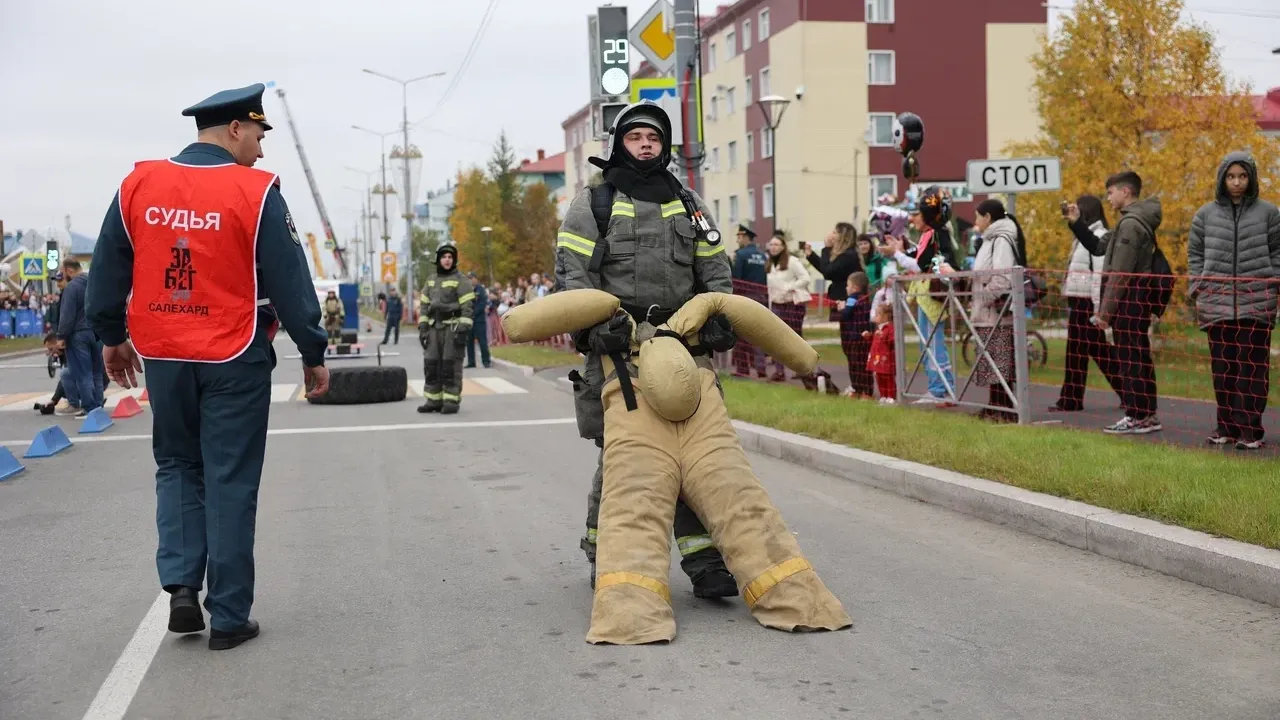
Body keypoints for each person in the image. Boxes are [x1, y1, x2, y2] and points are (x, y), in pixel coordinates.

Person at [85, 83, 330, 651]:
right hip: (234, 354)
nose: (263, 151)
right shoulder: (257, 190)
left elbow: (107, 267)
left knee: (176, 465)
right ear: (237, 129)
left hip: (165, 353)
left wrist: (111, 338)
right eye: (260, 136)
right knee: (230, 479)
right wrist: (314, 352)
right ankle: (228, 617)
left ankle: (180, 591)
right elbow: (291, 281)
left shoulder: (137, 184)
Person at [555, 100, 738, 598]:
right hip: (617, 348)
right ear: (620, 143)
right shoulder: (593, 201)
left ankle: (705, 562)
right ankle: (607, 556)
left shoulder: (689, 203)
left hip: (681, 347)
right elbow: (572, 278)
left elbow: (715, 272)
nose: (645, 145)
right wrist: (596, 330)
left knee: (695, 454)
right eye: (636, 137)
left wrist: (720, 318)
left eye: (654, 139)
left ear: (665, 147)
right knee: (623, 458)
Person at [1189, 151, 1280, 450]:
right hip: (1216, 303)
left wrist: (1273, 285)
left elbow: (1278, 253)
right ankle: (1225, 426)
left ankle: (1250, 430)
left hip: (1256, 304)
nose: (1237, 182)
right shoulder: (1204, 215)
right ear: (1222, 178)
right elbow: (1195, 255)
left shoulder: (1270, 213)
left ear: (1251, 177)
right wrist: (1197, 285)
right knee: (1223, 369)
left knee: (1252, 369)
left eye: (1242, 176)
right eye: (1231, 176)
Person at [1097, 171, 1163, 435]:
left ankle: (1137, 415)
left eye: (1111, 192)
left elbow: (1120, 273)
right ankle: (1147, 414)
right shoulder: (1136, 221)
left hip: (1129, 299)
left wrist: (1105, 313)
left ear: (1126, 192)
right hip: (1139, 297)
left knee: (1130, 358)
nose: (1108, 198)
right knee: (1139, 354)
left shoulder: (1130, 225)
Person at [1056, 195, 1122, 412]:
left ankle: (1072, 399)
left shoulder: (1099, 235)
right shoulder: (1081, 236)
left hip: (1088, 304)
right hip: (1079, 301)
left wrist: (1098, 309)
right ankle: (1071, 399)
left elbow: (1099, 276)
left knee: (1091, 352)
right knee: (1086, 352)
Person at [969, 199, 1022, 423]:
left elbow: (1002, 277)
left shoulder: (1001, 240)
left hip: (996, 312)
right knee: (991, 359)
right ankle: (996, 403)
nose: (975, 221)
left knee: (999, 359)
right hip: (988, 311)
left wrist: (984, 297)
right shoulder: (990, 240)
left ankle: (1004, 407)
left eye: (978, 216)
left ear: (988, 217)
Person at [416, 243, 474, 414]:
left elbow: (467, 308)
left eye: (450, 257)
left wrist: (463, 330)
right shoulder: (431, 280)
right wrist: (423, 328)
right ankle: (433, 400)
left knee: (450, 365)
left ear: (454, 260)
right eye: (444, 257)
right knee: (431, 364)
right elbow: (425, 306)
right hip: (434, 329)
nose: (447, 260)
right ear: (438, 260)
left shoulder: (461, 281)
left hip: (452, 329)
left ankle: (451, 401)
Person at [55, 259, 104, 416]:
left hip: (78, 335)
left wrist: (61, 336)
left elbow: (67, 316)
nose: (62, 275)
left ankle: (89, 407)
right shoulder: (95, 283)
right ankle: (98, 406)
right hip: (97, 333)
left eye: (62, 272)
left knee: (83, 373)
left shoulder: (72, 287)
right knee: (97, 372)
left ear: (69, 270)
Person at [764, 232, 812, 382]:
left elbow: (806, 278)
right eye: (771, 244)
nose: (773, 247)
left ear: (783, 247)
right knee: (777, 338)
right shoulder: (770, 264)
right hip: (777, 304)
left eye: (776, 244)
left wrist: (790, 286)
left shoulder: (792, 262)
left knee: (795, 338)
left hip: (793, 304)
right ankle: (779, 371)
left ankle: (803, 369)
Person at [730, 223, 768, 378]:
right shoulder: (762, 255)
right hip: (761, 297)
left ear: (746, 237)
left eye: (739, 236)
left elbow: (736, 278)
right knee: (759, 333)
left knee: (739, 333)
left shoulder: (741, 255)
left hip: (744, 297)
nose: (738, 239)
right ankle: (761, 368)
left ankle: (742, 368)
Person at [840, 272, 874, 398]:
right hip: (863, 338)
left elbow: (846, 314)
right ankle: (861, 390)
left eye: (848, 285)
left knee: (856, 366)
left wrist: (842, 308)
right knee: (862, 366)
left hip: (855, 339)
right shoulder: (865, 299)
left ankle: (862, 390)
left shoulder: (852, 299)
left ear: (855, 287)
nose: (846, 288)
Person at [867, 302, 897, 404]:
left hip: (886, 358)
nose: (875, 317)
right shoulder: (878, 328)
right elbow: (875, 340)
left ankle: (891, 396)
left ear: (886, 316)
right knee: (879, 376)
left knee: (888, 377)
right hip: (877, 357)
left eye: (877, 314)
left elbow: (892, 342)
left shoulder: (890, 328)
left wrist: (883, 336)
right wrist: (869, 336)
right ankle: (883, 395)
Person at [465, 271, 491, 369]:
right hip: (469, 320)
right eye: (468, 278)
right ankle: (471, 362)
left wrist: (473, 313)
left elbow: (482, 304)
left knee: (482, 341)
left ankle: (486, 361)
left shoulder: (481, 290)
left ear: (476, 278)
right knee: (469, 342)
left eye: (471, 278)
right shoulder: (466, 290)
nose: (470, 280)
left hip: (479, 320)